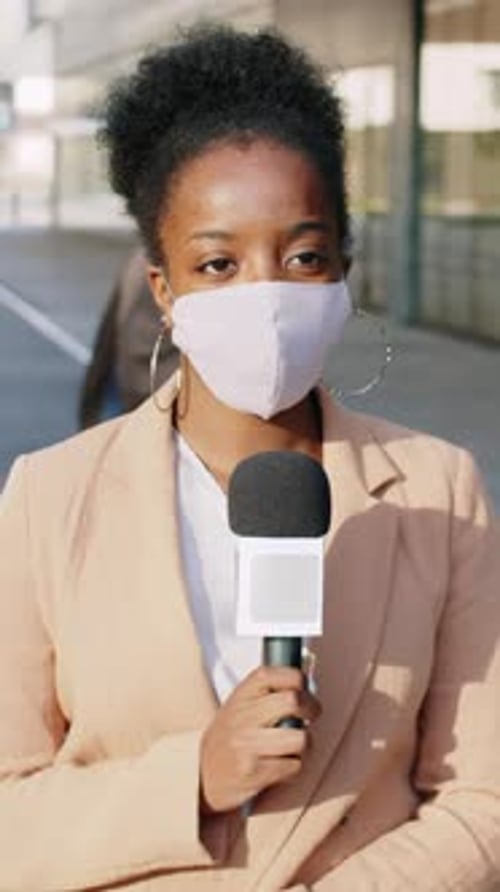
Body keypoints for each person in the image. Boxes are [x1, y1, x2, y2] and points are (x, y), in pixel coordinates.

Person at [1, 24, 499, 892]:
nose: (264, 294)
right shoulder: (49, 498)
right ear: (163, 289)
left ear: (345, 269)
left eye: (302, 257)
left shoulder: (438, 491)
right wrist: (191, 777)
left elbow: (483, 806)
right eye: (218, 262)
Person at [78, 244, 179, 428]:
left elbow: (107, 337)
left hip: (134, 384)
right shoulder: (169, 261)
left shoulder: (138, 259)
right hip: (161, 391)